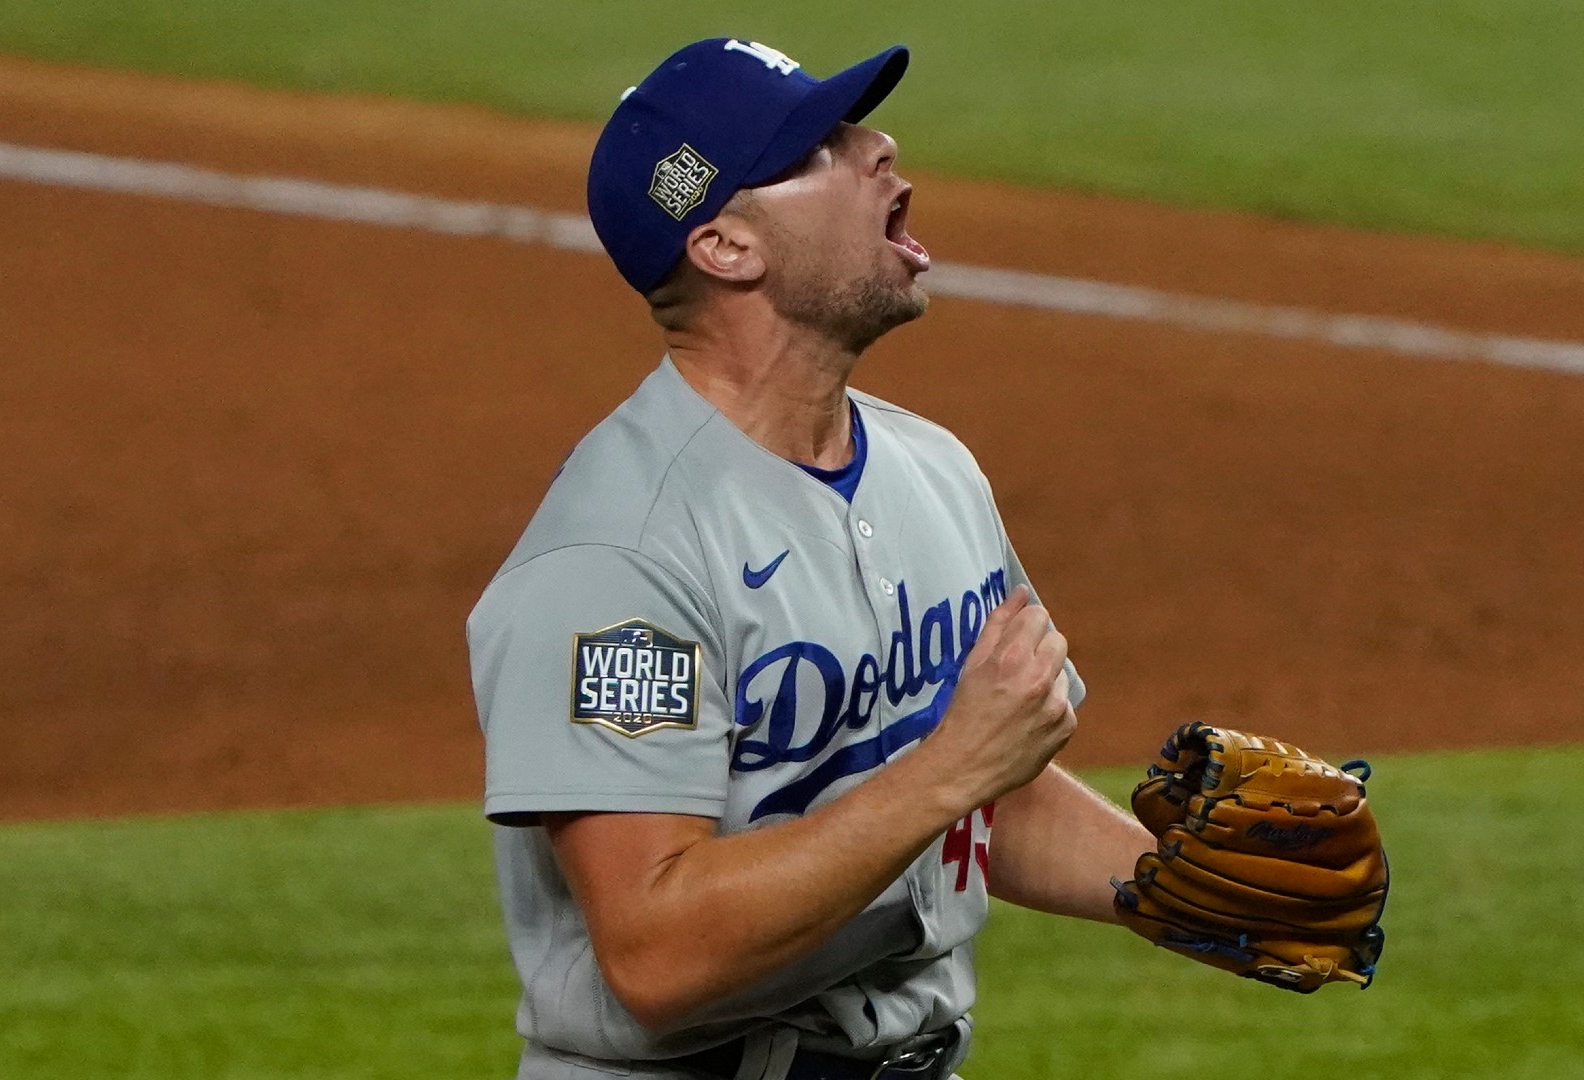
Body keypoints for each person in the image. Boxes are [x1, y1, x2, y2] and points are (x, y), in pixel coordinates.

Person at [467, 37, 1152, 1080]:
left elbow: (986, 786)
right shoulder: (618, 559)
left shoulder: (932, 468)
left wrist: (1180, 887)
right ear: (728, 246)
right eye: (819, 146)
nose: (876, 146)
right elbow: (654, 952)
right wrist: (947, 770)